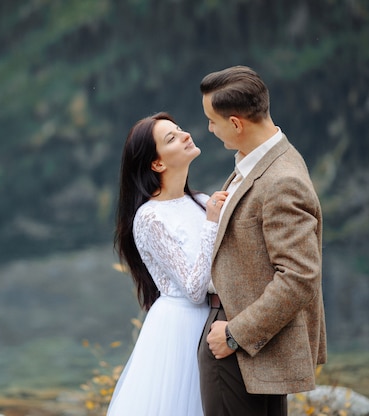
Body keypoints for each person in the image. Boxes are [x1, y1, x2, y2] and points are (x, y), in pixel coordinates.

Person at [197, 65, 327, 416]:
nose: (209, 128)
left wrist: (234, 334)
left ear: (236, 123)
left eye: (212, 120)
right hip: (253, 347)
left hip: (242, 343)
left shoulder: (282, 179)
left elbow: (299, 277)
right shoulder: (259, 159)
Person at [107, 112, 228, 415]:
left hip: (214, 321)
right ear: (157, 163)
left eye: (180, 129)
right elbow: (194, 289)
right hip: (181, 329)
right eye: (171, 138)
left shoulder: (200, 201)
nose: (186, 134)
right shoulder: (150, 217)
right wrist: (213, 222)